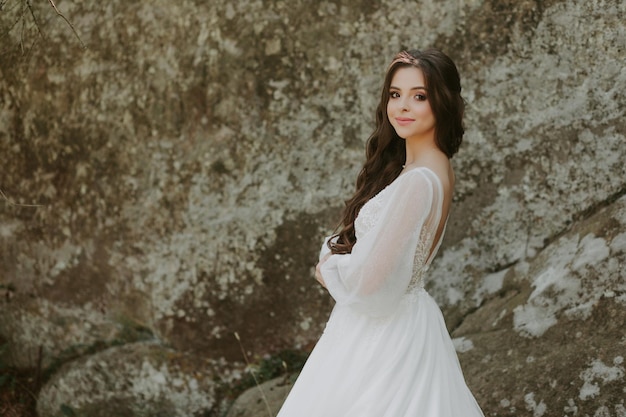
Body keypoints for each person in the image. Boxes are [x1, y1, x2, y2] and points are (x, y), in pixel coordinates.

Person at [277, 49, 485, 417]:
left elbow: (372, 285)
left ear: (443, 102)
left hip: (385, 335)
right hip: (405, 322)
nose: (403, 106)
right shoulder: (434, 168)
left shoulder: (418, 181)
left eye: (419, 96)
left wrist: (328, 268)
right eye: (395, 94)